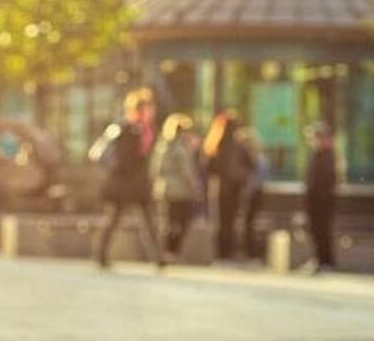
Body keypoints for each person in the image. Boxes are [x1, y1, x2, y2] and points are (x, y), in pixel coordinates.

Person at [89, 87, 162, 269]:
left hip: (137, 184)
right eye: (148, 108)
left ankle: (158, 257)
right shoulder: (125, 129)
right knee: (113, 219)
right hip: (123, 183)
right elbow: (124, 158)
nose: (151, 112)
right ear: (139, 110)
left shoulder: (147, 130)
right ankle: (100, 255)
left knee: (148, 221)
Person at [203, 111, 253, 260]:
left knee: (220, 220)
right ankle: (228, 251)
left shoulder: (214, 144)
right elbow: (250, 164)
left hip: (219, 187)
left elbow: (208, 168)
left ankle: (221, 252)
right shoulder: (238, 145)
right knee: (231, 220)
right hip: (234, 187)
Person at [153, 113, 201, 262]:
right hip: (181, 191)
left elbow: (155, 170)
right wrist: (195, 187)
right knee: (182, 221)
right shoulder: (181, 148)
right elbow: (187, 171)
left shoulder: (162, 146)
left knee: (168, 221)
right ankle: (172, 252)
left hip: (164, 189)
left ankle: (166, 251)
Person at [303, 122, 337, 272]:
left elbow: (327, 181)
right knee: (316, 230)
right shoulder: (317, 155)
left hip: (322, 200)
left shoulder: (327, 156)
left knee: (322, 230)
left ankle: (324, 261)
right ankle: (320, 259)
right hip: (315, 199)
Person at [236, 127, 268, 258]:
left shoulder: (256, 159)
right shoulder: (256, 158)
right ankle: (249, 250)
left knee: (250, 223)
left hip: (254, 194)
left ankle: (251, 251)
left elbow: (257, 179)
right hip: (254, 193)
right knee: (248, 223)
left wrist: (246, 192)